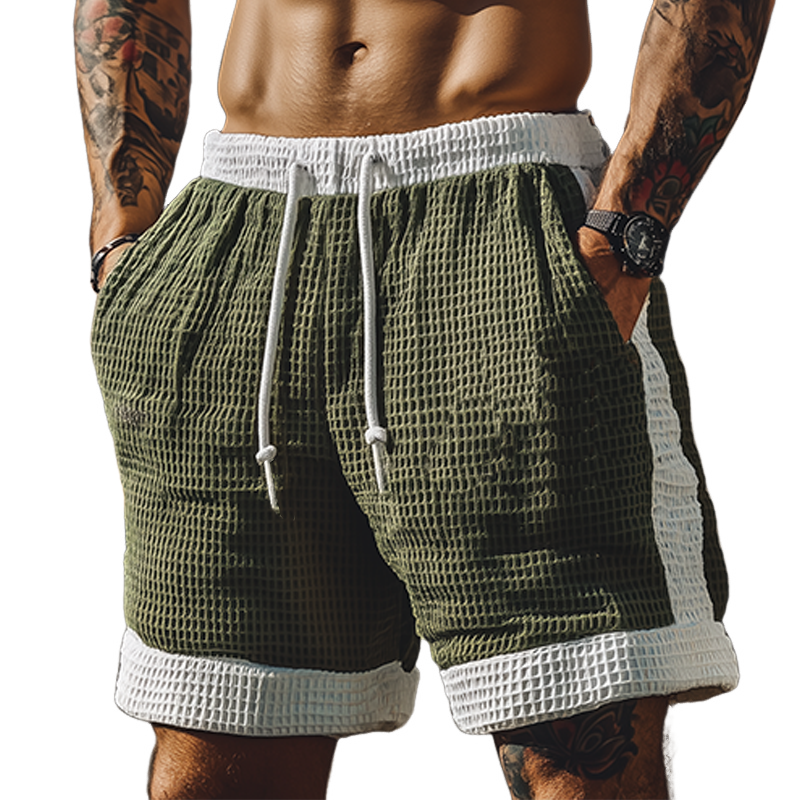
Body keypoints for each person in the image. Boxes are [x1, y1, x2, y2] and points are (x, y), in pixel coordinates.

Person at [74, 1, 773, 797]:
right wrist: (119, 234)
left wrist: (628, 232)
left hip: (493, 217)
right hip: (238, 237)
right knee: (219, 763)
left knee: (577, 757)